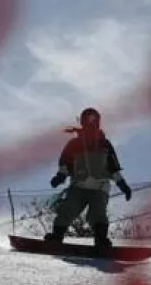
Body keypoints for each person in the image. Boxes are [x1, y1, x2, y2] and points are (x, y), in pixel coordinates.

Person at [46, 107, 132, 250]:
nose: (91, 124)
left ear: (98, 123)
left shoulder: (105, 144)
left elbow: (113, 168)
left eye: (94, 121)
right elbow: (65, 163)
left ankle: (101, 241)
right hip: (78, 186)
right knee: (67, 210)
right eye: (88, 120)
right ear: (83, 122)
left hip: (99, 188)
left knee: (97, 214)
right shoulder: (74, 144)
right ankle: (56, 237)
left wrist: (123, 185)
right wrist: (60, 176)